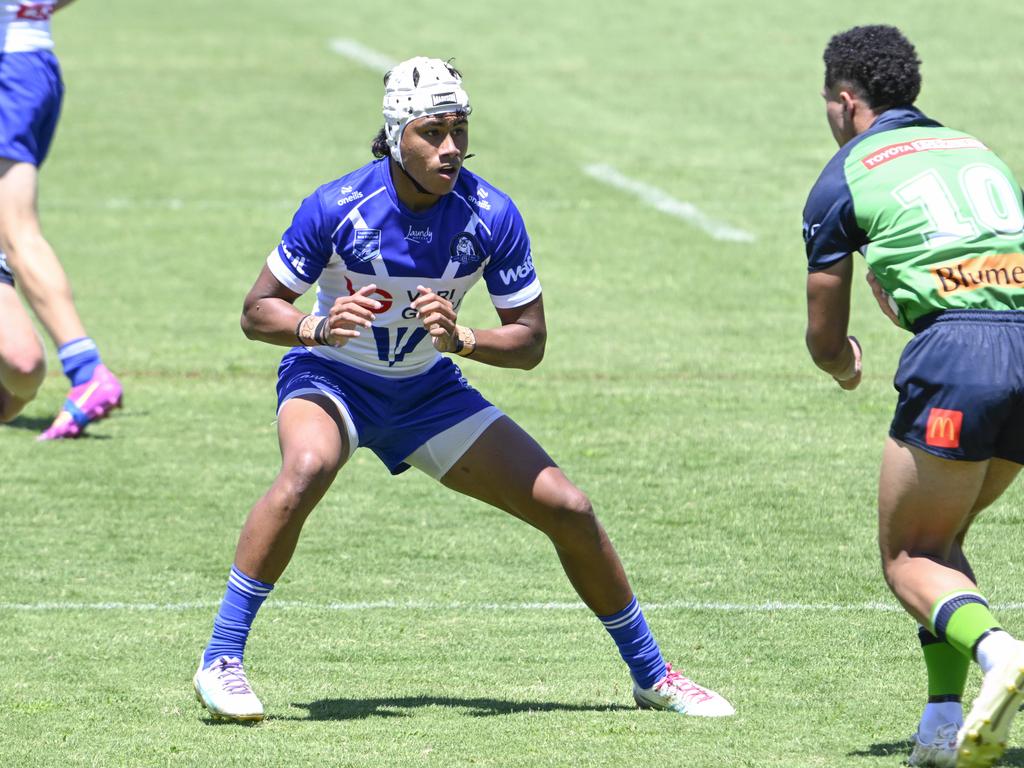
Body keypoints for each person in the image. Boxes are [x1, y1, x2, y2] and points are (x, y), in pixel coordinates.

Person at [192, 56, 734, 723]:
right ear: (395, 135)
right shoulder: (335, 206)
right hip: (333, 380)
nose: (450, 147)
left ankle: (653, 675)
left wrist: (464, 340)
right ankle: (221, 659)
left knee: (568, 506)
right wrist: (315, 325)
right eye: (432, 132)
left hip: (428, 393)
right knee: (306, 468)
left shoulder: (491, 214)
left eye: (459, 129)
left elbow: (529, 340)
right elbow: (256, 312)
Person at [803, 25, 1024, 768]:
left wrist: (844, 366)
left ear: (844, 100)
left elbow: (825, 338)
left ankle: (1001, 654)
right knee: (943, 545)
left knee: (907, 556)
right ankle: (939, 726)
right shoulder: (974, 148)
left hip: (960, 357)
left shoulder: (845, 172)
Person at [0, 0, 122, 438]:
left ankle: (86, 369)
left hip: (10, 67)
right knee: (20, 367)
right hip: (32, 63)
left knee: (17, 232)